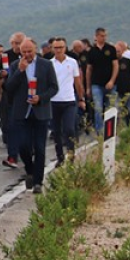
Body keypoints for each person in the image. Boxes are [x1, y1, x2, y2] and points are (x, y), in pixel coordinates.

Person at [5, 38, 58, 194]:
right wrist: (20, 71)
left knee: (40, 148)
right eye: (24, 52)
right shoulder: (15, 66)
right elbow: (9, 88)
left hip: (40, 111)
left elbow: (54, 87)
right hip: (22, 112)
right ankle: (30, 170)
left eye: (29, 51)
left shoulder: (46, 65)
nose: (27, 55)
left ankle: (38, 182)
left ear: (35, 49)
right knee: (23, 146)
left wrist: (40, 98)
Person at [49, 37, 84, 165]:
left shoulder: (73, 62)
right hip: (54, 101)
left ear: (65, 48)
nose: (58, 50)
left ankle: (71, 152)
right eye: (56, 47)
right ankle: (60, 156)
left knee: (69, 128)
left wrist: (81, 98)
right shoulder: (49, 64)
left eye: (61, 47)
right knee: (56, 131)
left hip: (69, 100)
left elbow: (77, 81)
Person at [84, 27, 118, 136]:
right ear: (97, 36)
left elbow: (115, 65)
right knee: (98, 107)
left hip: (109, 83)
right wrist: (88, 87)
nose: (104, 38)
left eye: (105, 36)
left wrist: (112, 80)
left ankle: (111, 129)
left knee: (110, 107)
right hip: (96, 83)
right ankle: (100, 130)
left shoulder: (111, 49)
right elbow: (89, 69)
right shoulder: (91, 51)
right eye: (102, 36)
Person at [1, 32, 25, 168]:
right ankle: (12, 155)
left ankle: (26, 151)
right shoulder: (6, 55)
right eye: (14, 43)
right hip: (9, 94)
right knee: (10, 126)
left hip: (25, 95)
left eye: (18, 43)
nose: (16, 46)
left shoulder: (29, 56)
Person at [113, 41, 130, 125]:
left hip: (127, 89)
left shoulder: (127, 61)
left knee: (129, 110)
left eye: (118, 51)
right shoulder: (111, 63)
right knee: (118, 111)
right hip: (116, 90)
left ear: (122, 51)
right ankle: (120, 129)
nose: (117, 53)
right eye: (115, 51)